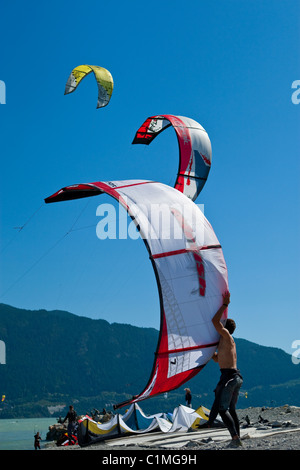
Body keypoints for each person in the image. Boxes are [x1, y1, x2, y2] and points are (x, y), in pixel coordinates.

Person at [198, 290, 243, 447]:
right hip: (235, 377)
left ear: (225, 327)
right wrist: (208, 353)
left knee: (222, 410)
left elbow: (215, 321)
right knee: (231, 409)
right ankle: (238, 437)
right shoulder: (228, 342)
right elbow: (218, 359)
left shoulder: (226, 335)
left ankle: (235, 439)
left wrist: (225, 304)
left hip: (229, 377)